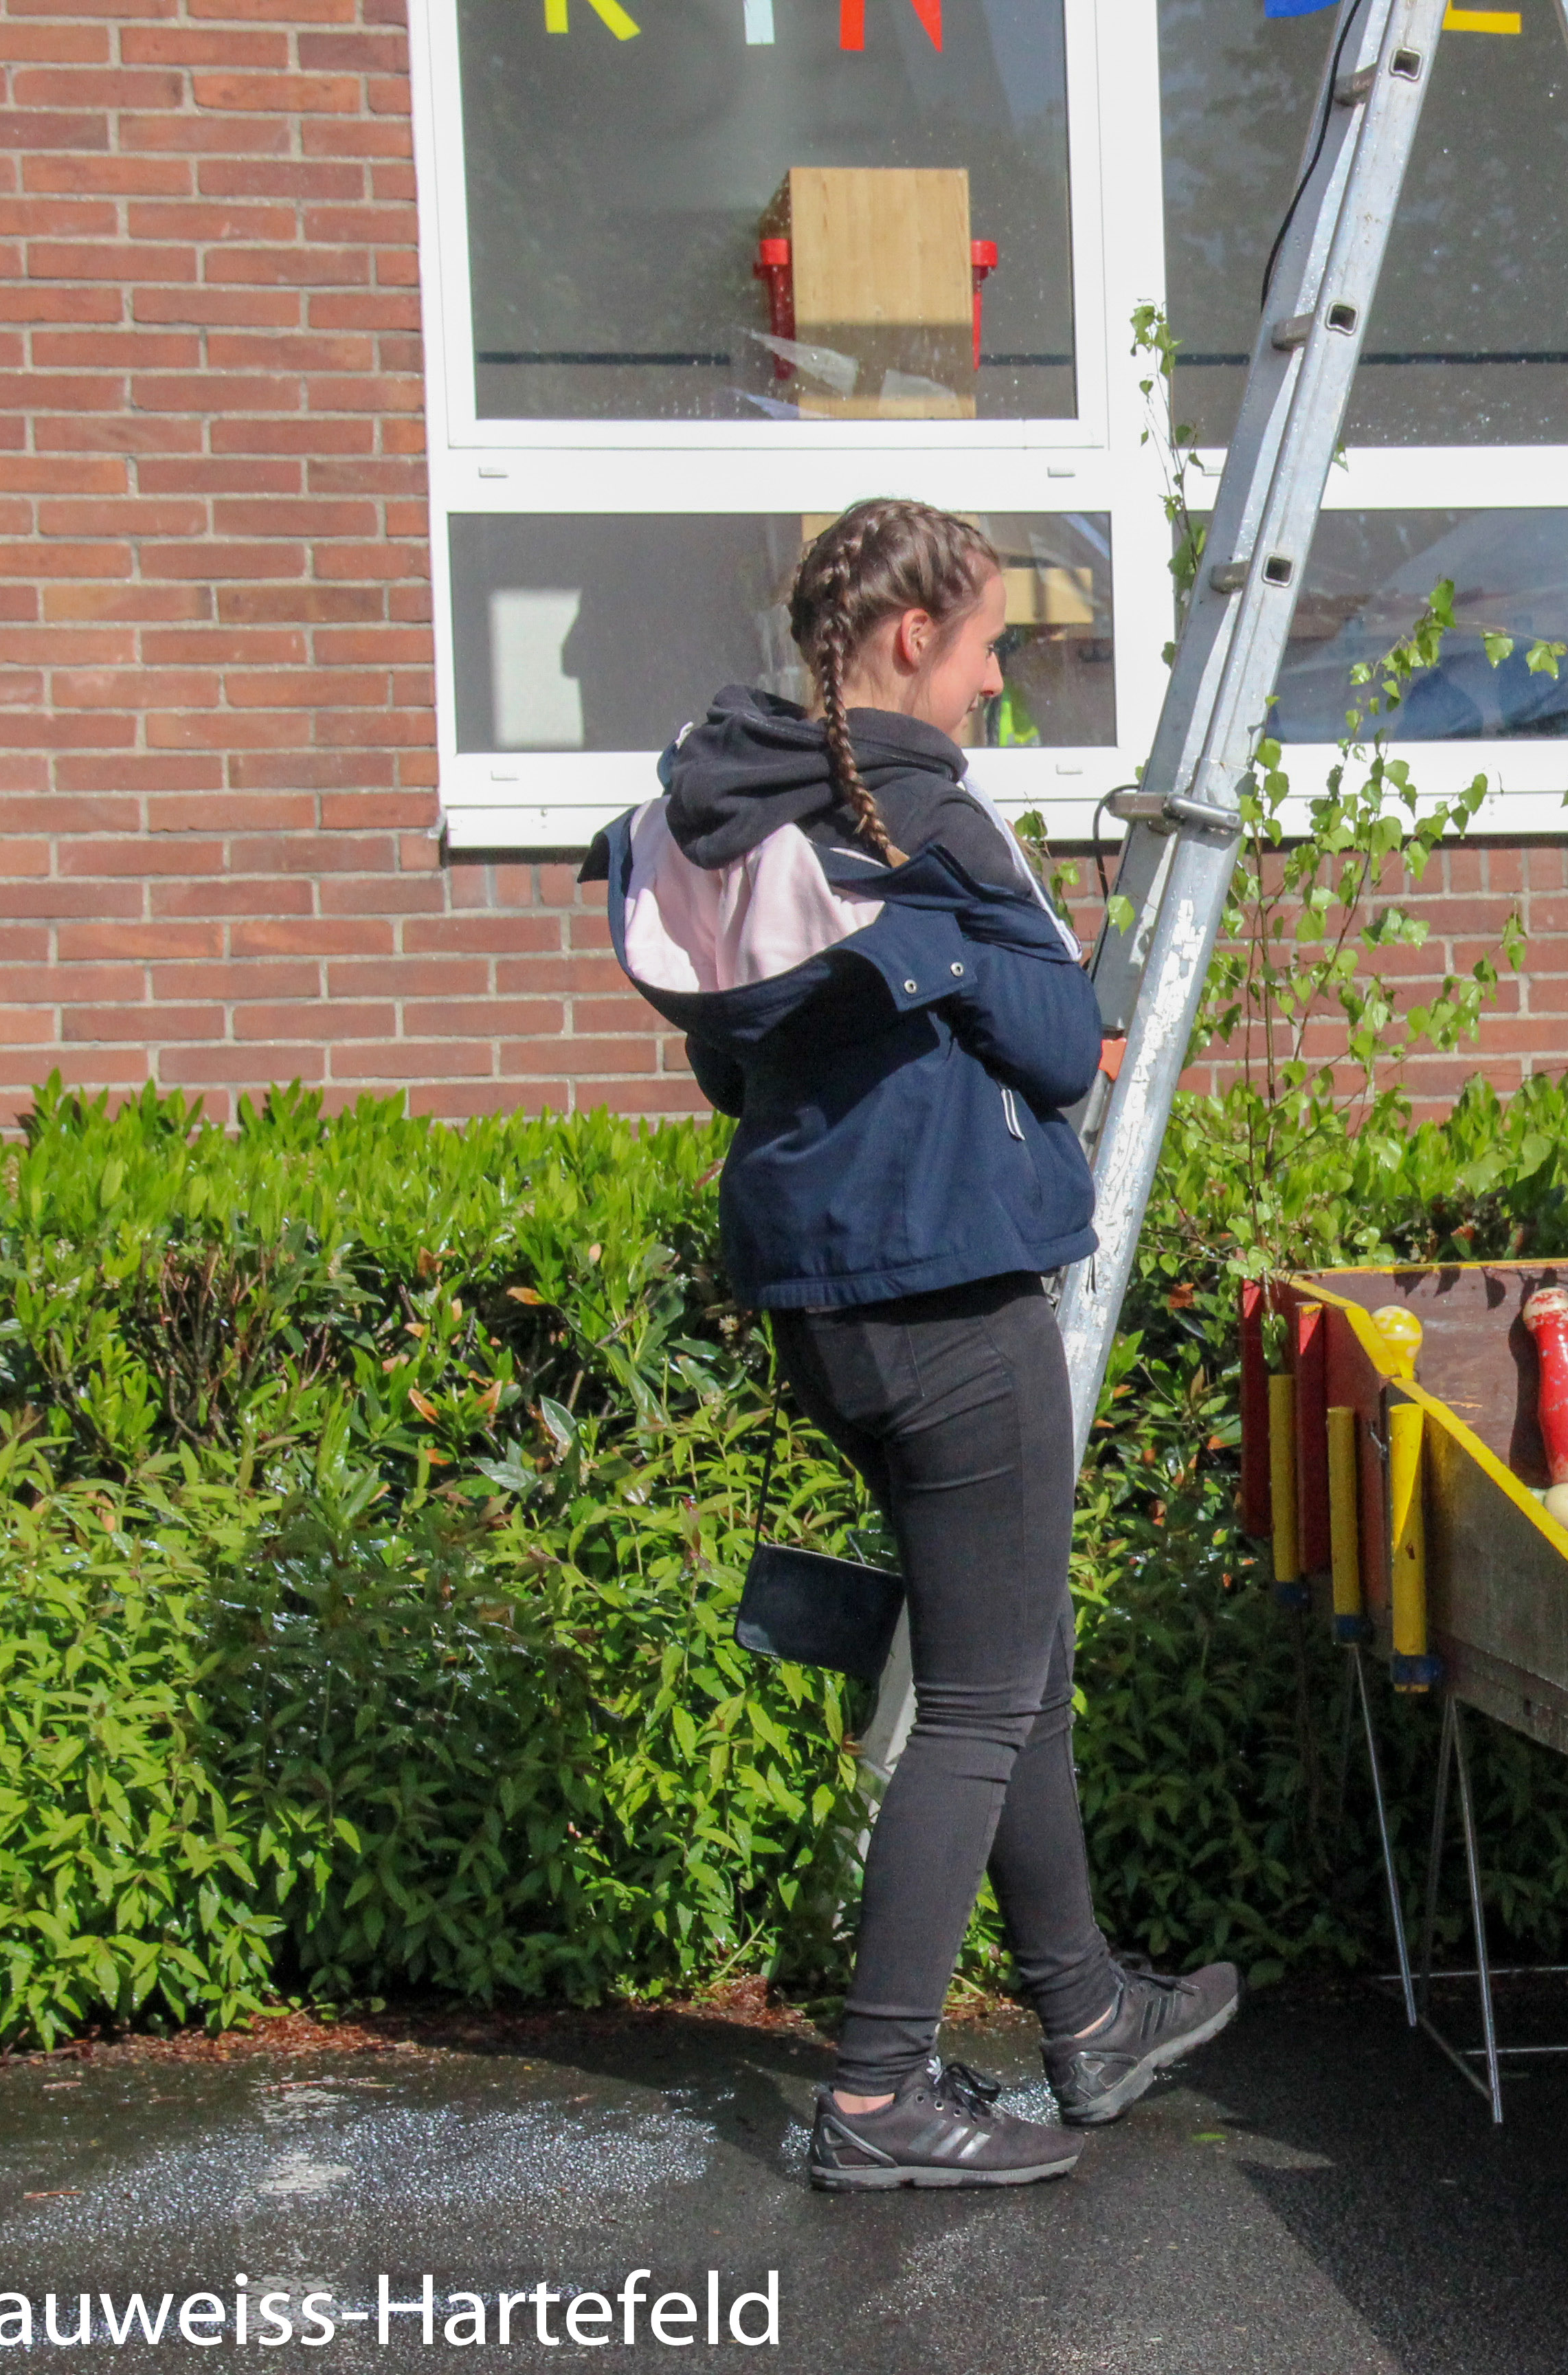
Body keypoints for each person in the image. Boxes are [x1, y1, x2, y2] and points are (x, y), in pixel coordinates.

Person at [589, 497, 1239, 2189]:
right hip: (953, 1302)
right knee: (981, 1695)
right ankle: (880, 2096)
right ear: (908, 640)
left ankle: (1088, 2015)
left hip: (820, 1304)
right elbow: (1063, 1046)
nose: (996, 676)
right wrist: (965, 960)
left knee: (1009, 1654)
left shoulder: (729, 809)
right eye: (986, 644)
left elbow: (727, 1061)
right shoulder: (928, 813)